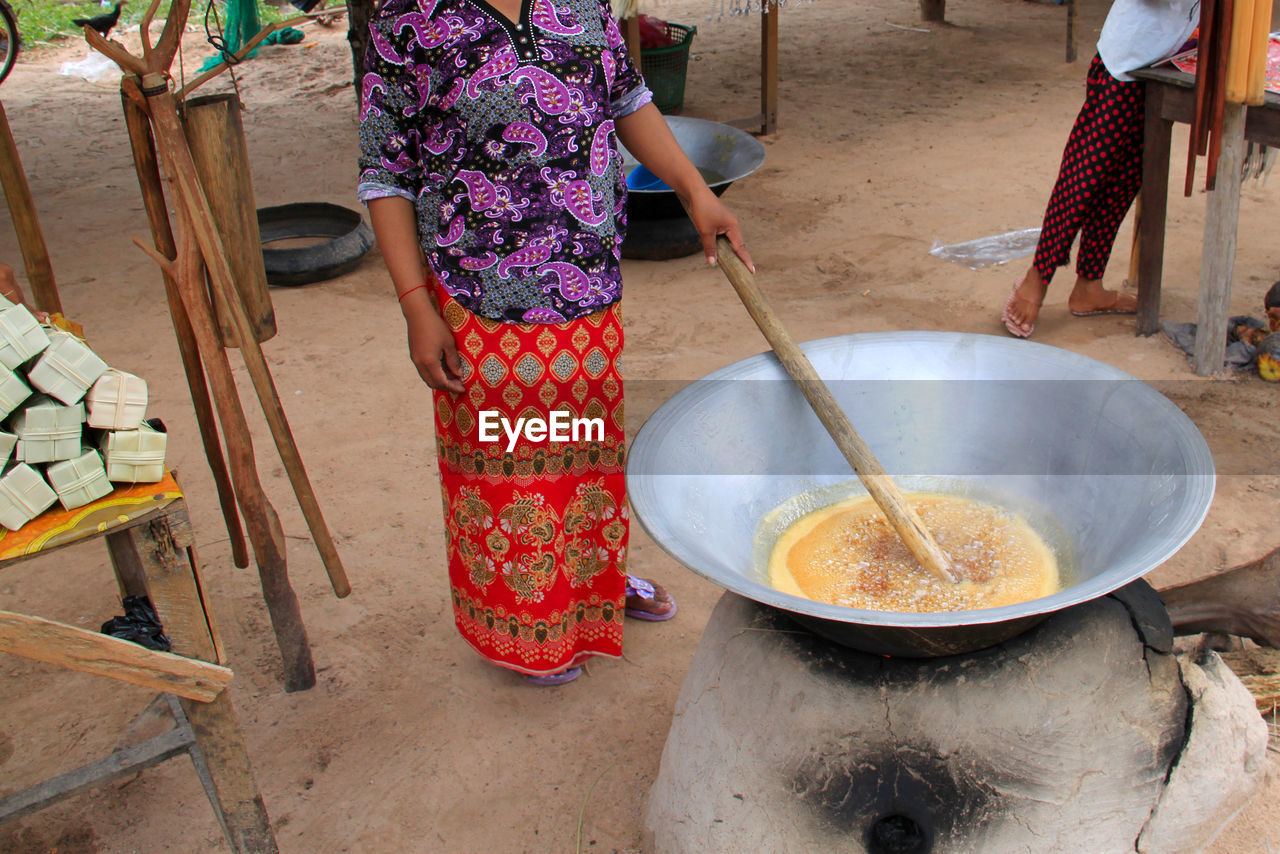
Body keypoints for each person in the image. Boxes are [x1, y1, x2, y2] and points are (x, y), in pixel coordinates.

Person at [358, 0, 752, 685]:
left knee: (583, 451)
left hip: (586, 286)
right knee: (509, 468)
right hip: (478, 294)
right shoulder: (408, 18)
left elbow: (626, 98)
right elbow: (385, 172)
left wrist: (695, 191)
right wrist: (415, 306)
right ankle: (524, 628)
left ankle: (593, 590)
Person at [1002, 0, 1199, 338]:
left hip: (1159, 63)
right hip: (1122, 64)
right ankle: (1037, 279)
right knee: (1082, 178)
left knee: (1121, 184)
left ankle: (1089, 286)